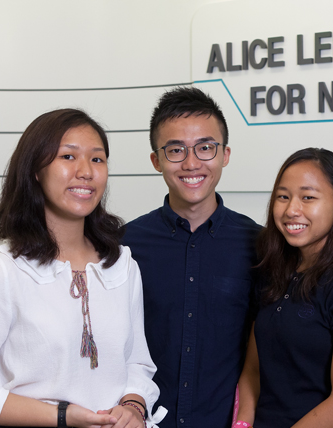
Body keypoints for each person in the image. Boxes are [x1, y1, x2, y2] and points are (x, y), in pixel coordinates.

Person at [0, 109, 165, 428]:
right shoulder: (0, 270)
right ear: (35, 170)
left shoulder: (121, 264)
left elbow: (136, 364)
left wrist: (132, 407)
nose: (86, 171)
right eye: (68, 156)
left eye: (97, 159)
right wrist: (62, 416)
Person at [121, 87, 261, 428]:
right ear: (156, 160)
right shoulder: (123, 245)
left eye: (205, 147)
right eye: (175, 150)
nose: (192, 163)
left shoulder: (261, 245)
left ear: (225, 154)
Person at [235, 148, 333, 428]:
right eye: (283, 197)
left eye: (308, 197)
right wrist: (242, 424)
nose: (292, 209)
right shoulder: (272, 273)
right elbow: (252, 371)